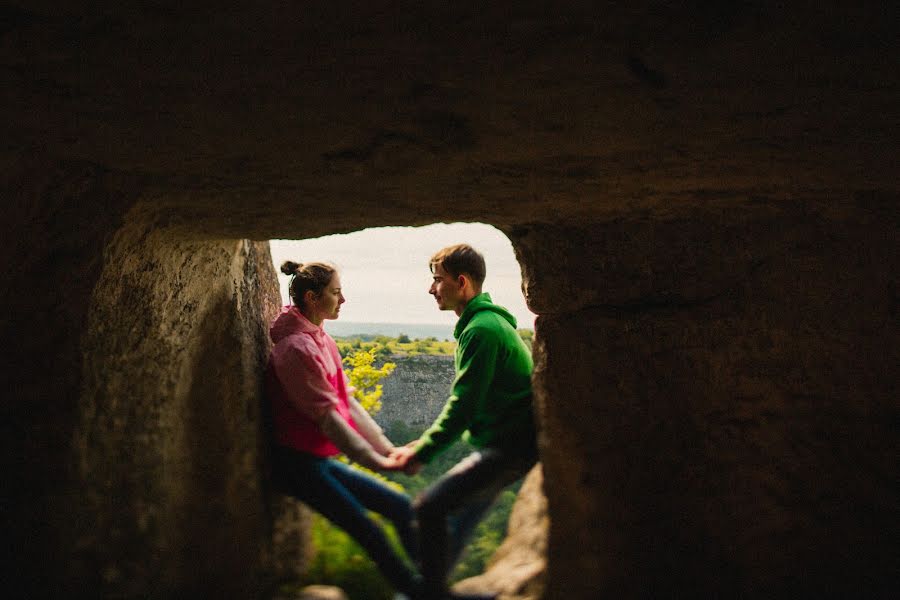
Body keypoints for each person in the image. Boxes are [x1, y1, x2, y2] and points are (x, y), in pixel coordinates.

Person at [266, 260, 421, 599]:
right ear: (311, 297)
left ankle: (432, 586)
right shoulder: (296, 349)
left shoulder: (320, 340)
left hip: (315, 459)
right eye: (336, 293)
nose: (343, 299)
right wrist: (375, 462)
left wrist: (387, 449)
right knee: (370, 531)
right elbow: (328, 418)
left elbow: (346, 403)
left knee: (400, 507)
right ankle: (421, 593)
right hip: (296, 463)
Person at [391, 244, 538, 600]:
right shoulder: (485, 322)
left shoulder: (481, 331)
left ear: (462, 282)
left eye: (437, 280)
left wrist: (424, 452)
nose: (431, 289)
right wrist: (424, 441)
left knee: (430, 507)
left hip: (510, 447)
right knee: (455, 528)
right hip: (509, 442)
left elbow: (464, 406)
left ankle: (431, 595)